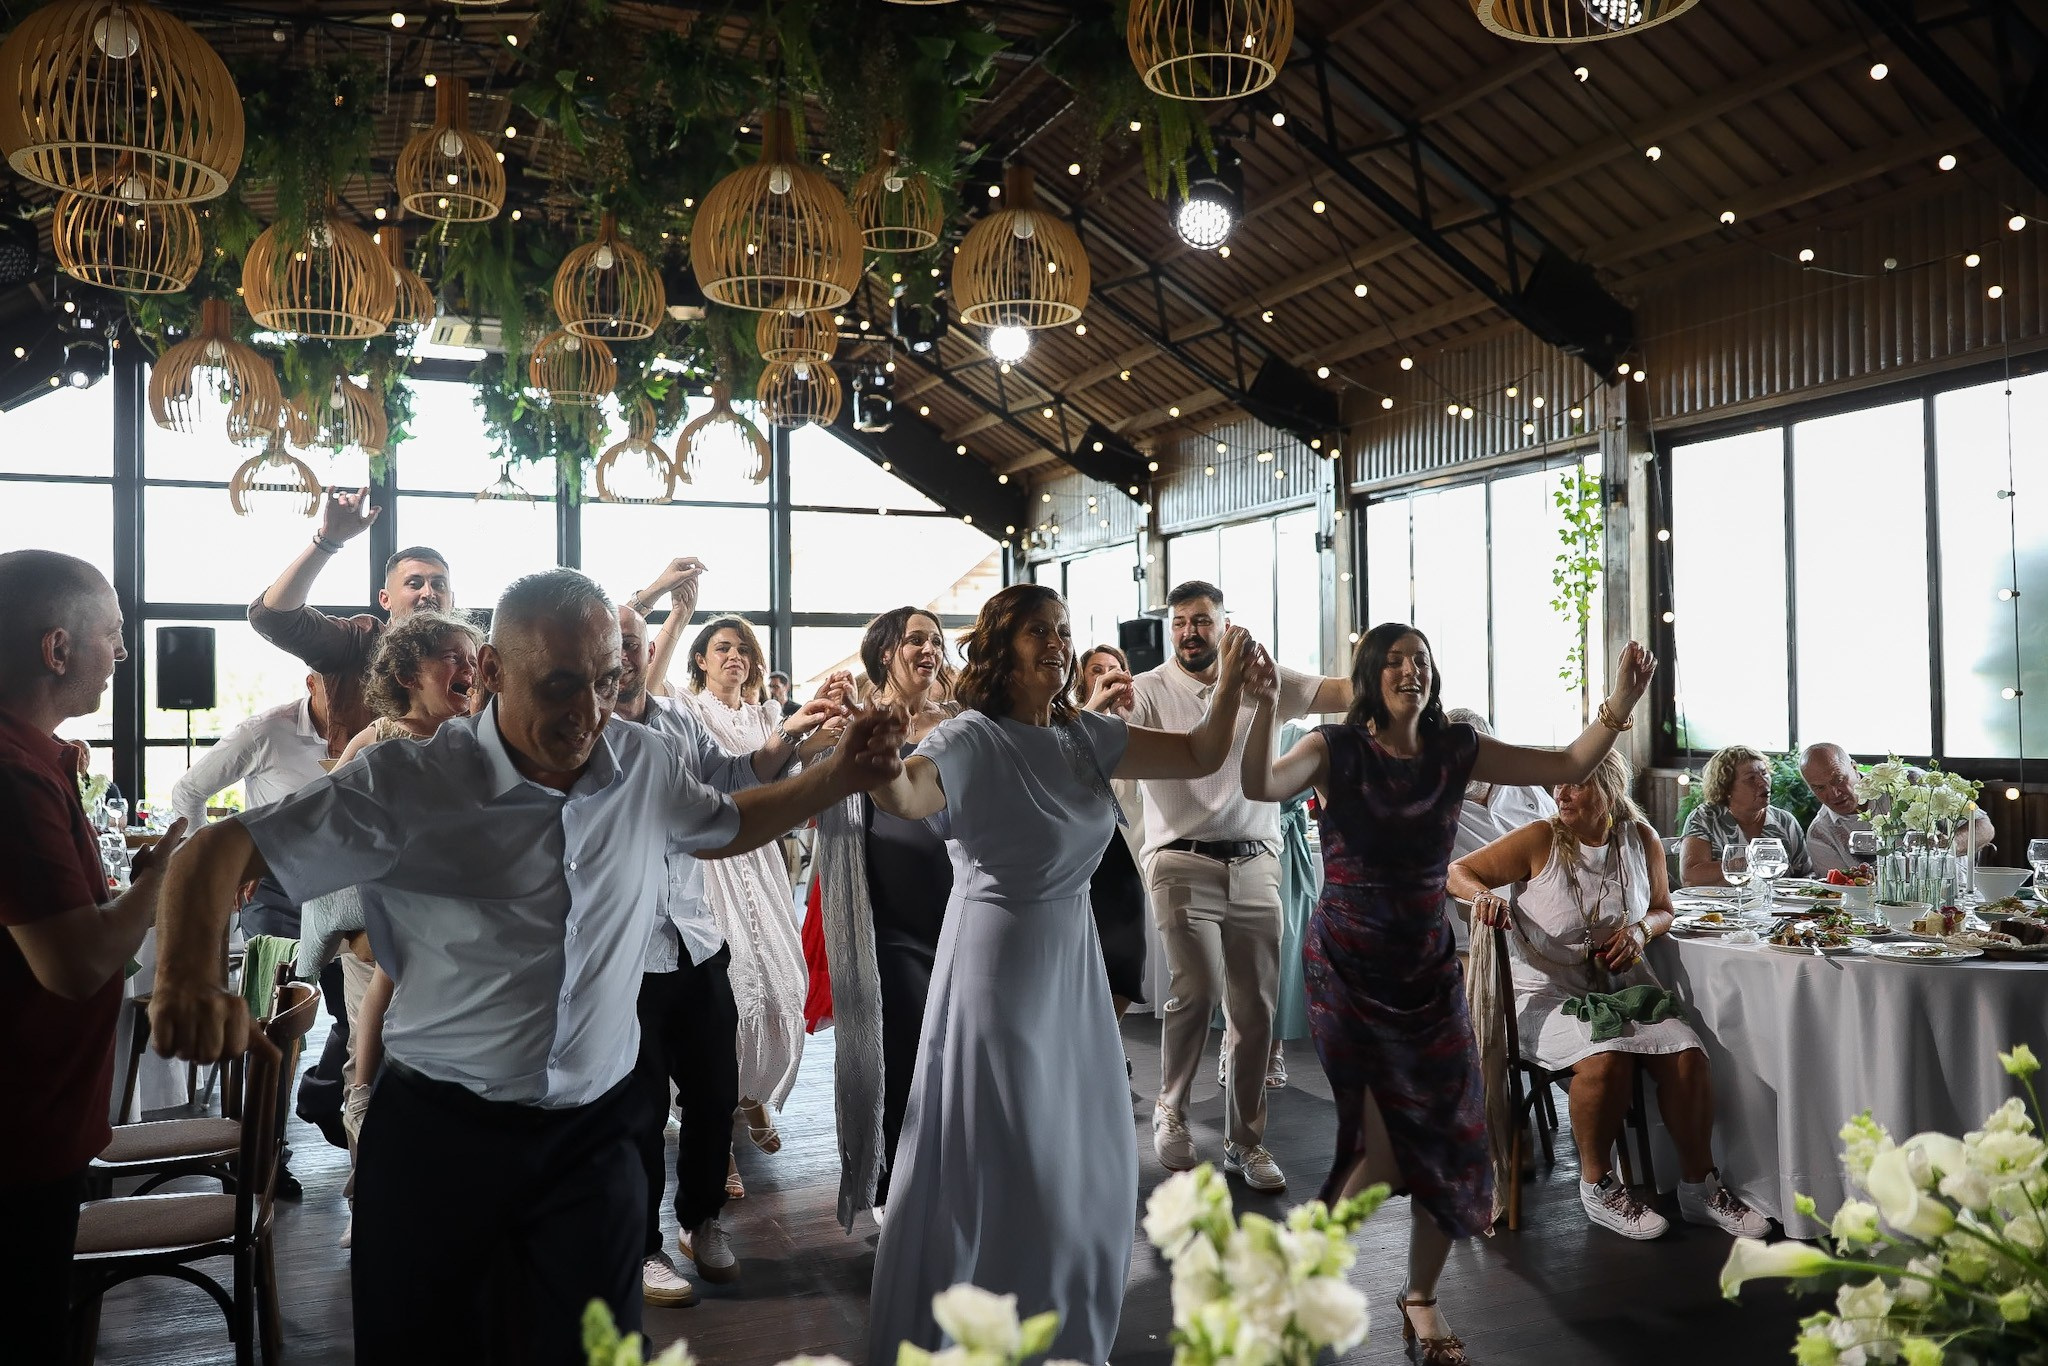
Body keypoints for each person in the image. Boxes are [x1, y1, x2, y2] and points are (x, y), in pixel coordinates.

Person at [148, 568, 906, 1364]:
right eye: (560, 685)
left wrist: (838, 774)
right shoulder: (410, 780)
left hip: (596, 1139)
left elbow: (724, 821)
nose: (588, 713)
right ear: (494, 675)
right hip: (442, 1139)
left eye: (607, 684)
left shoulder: (641, 763)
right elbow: (218, 848)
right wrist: (188, 978)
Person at [1241, 622, 1656, 1364]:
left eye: (1422, 661)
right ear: (1371, 676)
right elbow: (1256, 785)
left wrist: (1621, 700)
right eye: (1395, 662)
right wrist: (1263, 712)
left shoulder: (1453, 750)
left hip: (1426, 968)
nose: (1411, 671)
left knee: (1453, 1139)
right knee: (1376, 1146)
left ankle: (1420, 1298)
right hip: (1349, 966)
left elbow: (1566, 759)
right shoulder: (1333, 750)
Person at [865, 583, 1258, 1364]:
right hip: (997, 967)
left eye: (1064, 629)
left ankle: (1057, 1326)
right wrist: (875, 760)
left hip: (1070, 968)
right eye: (1039, 630)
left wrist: (1237, 683)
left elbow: (1204, 754)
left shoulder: (1084, 737)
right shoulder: (971, 737)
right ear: (1001, 648)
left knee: (1090, 1160)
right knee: (1016, 1157)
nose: (1058, 641)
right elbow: (908, 796)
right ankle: (980, 1327)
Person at [608, 601, 838, 1300]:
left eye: (634, 644)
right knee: (641, 1108)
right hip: (629, 949)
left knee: (713, 1094)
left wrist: (791, 737)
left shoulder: (676, 720)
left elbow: (733, 775)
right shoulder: (587, 731)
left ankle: (701, 1220)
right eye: (614, 643)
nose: (624, 655)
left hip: (696, 936)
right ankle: (642, 1247)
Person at [1447, 750, 1769, 1243]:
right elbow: (1457, 873)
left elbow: (1664, 908)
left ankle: (1699, 1188)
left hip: (1621, 987)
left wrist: (1641, 931)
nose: (1562, 794)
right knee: (1607, 1058)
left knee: (1687, 1055)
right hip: (1543, 992)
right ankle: (1598, 1186)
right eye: (1558, 786)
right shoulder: (1539, 838)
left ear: (1609, 789)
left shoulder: (1641, 839)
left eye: (1574, 785)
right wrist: (1482, 897)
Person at [0, 550, 188, 1362]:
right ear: (57, 649)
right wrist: (160, 882)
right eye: (112, 635)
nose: (121, 653)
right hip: (15, 1135)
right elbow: (74, 965)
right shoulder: (12, 776)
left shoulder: (38, 760)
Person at [1129, 580, 1351, 1194]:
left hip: (1256, 859)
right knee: (1195, 990)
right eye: (1179, 623)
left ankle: (1245, 1141)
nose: (1189, 632)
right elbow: (1107, 736)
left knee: (1255, 1009)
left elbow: (1341, 693)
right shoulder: (1150, 691)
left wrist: (1398, 666)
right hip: (1179, 857)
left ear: (1226, 624)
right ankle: (1171, 1106)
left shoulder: (1264, 679)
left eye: (1201, 620)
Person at [297, 609, 486, 1249]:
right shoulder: (379, 741)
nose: (467, 668)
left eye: (472, 656)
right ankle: (368, 1191)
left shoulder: (482, 739)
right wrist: (361, 931)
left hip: (460, 935)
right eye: (450, 658)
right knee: (370, 1067)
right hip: (381, 935)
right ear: (407, 674)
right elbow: (330, 840)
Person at [813, 607, 957, 1231]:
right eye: (915, 640)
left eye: (935, 640)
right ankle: (895, 1189)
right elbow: (813, 786)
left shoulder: (962, 724)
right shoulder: (857, 720)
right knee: (901, 1053)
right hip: (888, 919)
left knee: (955, 1053)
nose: (928, 649)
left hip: (961, 908)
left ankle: (951, 1179)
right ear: (885, 652)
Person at [676, 615, 832, 1170]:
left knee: (781, 983)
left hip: (762, 856)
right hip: (713, 860)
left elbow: (786, 777)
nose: (734, 657)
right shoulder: (689, 710)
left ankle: (753, 1096)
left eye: (743, 649)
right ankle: (717, 1135)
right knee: (733, 995)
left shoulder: (769, 713)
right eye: (722, 648)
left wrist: (821, 738)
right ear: (700, 659)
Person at [247, 486, 453, 749]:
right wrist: (327, 541)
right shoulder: (357, 641)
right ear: (384, 599)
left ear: (453, 600)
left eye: (439, 585)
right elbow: (271, 618)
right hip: (364, 787)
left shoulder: (471, 658)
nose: (429, 593)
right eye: (414, 583)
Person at [1073, 646, 1150, 1021]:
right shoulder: (1067, 721)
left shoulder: (1138, 722)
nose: (1106, 675)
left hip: (1126, 852)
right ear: (1081, 678)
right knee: (1082, 959)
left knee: (1128, 957)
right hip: (1084, 854)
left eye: (1115, 668)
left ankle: (1110, 1039)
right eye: (1096, 670)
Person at [1444, 708, 1558, 950]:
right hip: (1476, 939)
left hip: (1550, 928)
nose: (1464, 765)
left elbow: (1565, 841)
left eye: (1474, 755)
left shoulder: (1526, 787)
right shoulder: (1431, 806)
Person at [1798, 742, 1994, 873]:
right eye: (1819, 787)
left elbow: (1984, 828)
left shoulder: (1911, 781)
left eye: (1838, 779)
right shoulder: (1820, 834)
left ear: (1855, 767)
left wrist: (1947, 847)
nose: (1833, 793)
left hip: (1952, 898)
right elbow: (1842, 896)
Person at [170, 673, 335, 827]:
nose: (347, 700)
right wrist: (202, 856)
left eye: (357, 687)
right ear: (311, 684)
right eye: (334, 687)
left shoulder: (360, 736)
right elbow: (188, 792)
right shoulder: (263, 732)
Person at [1678, 745, 1811, 886]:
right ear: (1726, 788)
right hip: (1721, 906)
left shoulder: (1785, 821)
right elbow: (1690, 876)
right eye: (1751, 778)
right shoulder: (1705, 818)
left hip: (1778, 906)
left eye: (1764, 773)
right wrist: (1753, 862)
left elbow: (1806, 875)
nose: (1762, 781)